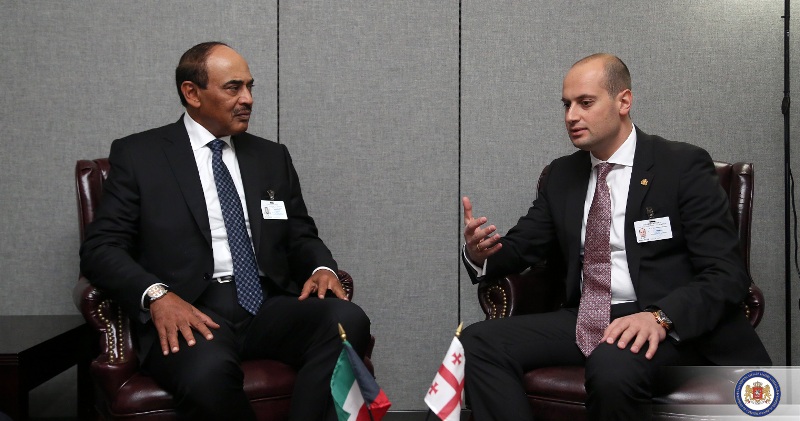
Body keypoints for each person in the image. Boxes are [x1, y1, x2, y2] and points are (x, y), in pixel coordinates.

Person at [460, 53, 771, 420]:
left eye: (585, 102)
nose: (571, 116)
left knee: (612, 365)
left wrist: (660, 317)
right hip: (587, 315)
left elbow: (726, 273)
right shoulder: (562, 175)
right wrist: (480, 253)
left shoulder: (681, 165)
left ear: (623, 101)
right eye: (566, 104)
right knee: (476, 343)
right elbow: (520, 247)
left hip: (663, 318)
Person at [80, 41, 371, 421]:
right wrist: (157, 296)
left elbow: (299, 232)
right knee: (209, 372)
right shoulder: (140, 155)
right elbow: (101, 248)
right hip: (190, 309)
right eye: (234, 88)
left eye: (250, 87)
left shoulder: (271, 156)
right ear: (192, 93)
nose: (247, 99)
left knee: (348, 320)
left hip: (266, 305)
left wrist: (322, 268)